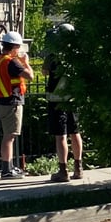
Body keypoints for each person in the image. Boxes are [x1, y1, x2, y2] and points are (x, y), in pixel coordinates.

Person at [0, 30, 33, 179]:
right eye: (19, 47)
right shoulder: (12, 62)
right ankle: (7, 170)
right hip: (11, 102)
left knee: (8, 135)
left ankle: (8, 167)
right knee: (9, 136)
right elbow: (30, 76)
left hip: (2, 101)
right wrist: (26, 63)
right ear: (14, 47)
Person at [44, 47, 84, 182]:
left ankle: (63, 171)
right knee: (75, 132)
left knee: (60, 135)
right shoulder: (76, 55)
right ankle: (78, 168)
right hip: (72, 100)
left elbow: (44, 72)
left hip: (57, 102)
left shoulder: (52, 55)